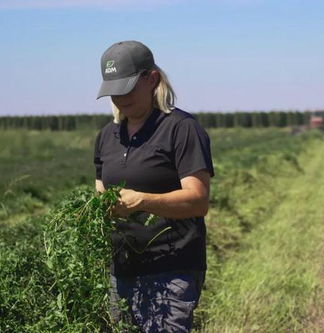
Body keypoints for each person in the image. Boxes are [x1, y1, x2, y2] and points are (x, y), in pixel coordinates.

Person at [93, 40, 214, 332]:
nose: (121, 98)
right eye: (114, 91)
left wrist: (143, 201)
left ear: (152, 79)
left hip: (172, 267)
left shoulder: (181, 129)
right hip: (122, 269)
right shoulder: (107, 137)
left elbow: (198, 200)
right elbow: (99, 191)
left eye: (128, 88)